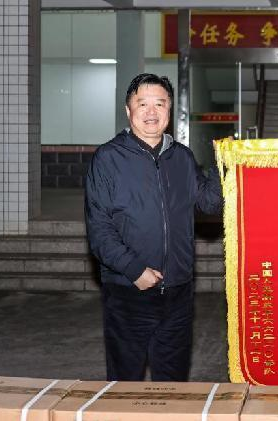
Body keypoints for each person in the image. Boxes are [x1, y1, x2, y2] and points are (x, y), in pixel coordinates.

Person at [85, 73, 222, 381]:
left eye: (159, 104)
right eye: (142, 103)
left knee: (173, 383)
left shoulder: (182, 157)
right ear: (128, 110)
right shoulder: (108, 158)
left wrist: (220, 164)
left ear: (169, 110)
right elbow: (100, 230)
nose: (151, 112)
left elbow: (210, 204)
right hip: (128, 290)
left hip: (178, 291)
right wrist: (135, 271)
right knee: (125, 382)